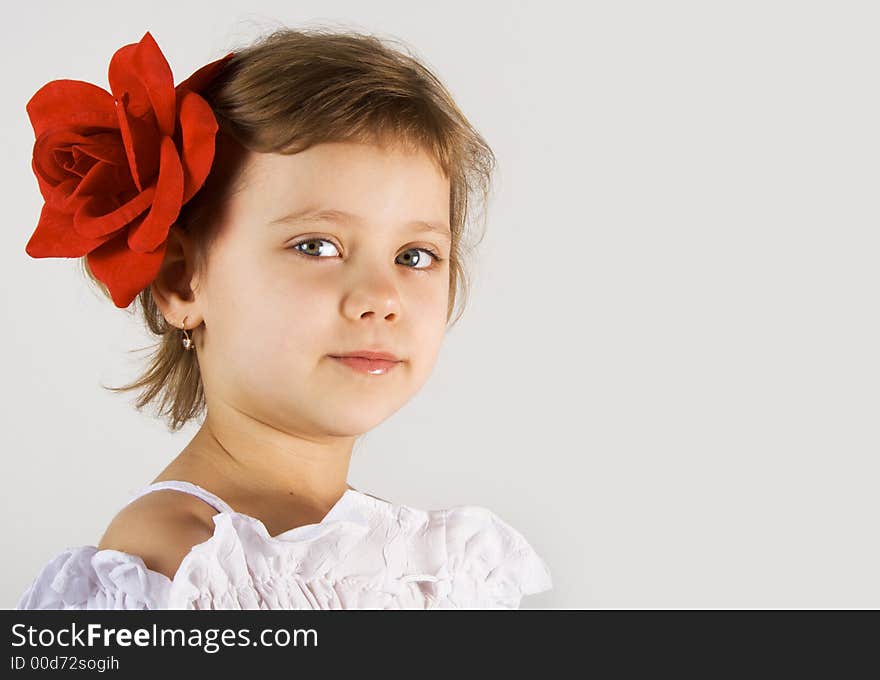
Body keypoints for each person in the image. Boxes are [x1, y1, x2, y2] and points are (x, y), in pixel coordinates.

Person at [16, 27, 552, 610]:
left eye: (414, 256)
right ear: (180, 280)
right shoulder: (181, 565)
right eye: (317, 246)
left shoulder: (423, 562)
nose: (381, 295)